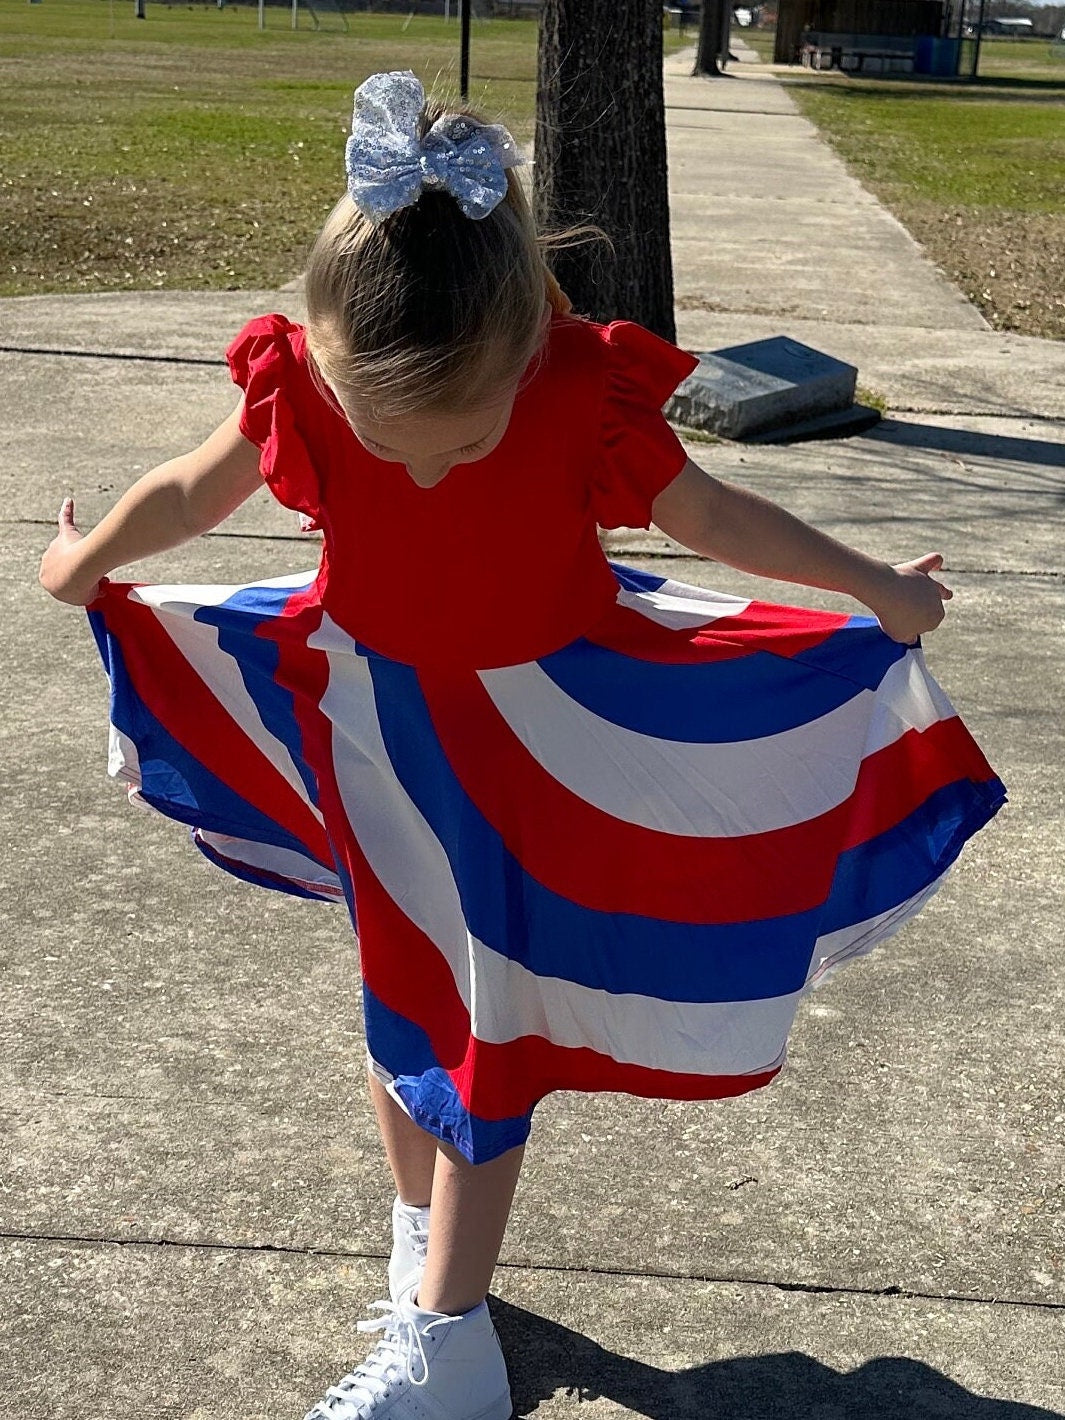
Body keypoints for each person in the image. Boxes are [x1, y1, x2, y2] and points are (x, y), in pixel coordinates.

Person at [39, 70, 1004, 1420]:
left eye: (460, 436)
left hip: (559, 734)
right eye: (387, 438)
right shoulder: (308, 379)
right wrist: (83, 561)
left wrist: (875, 593)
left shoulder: (573, 389)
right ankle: (417, 1240)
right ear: (324, 351)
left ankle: (450, 1341)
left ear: (520, 354)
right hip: (377, 730)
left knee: (486, 1023)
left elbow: (713, 518)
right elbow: (193, 489)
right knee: (405, 1000)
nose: (423, 466)